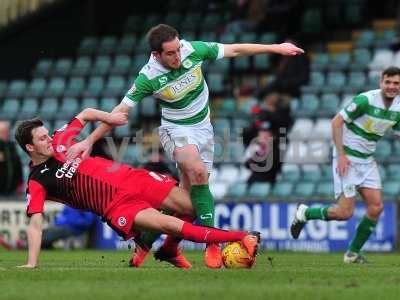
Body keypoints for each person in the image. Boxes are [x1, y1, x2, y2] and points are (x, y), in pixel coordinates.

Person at [66, 24, 303, 268]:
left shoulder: (192, 50)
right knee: (198, 171)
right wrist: (89, 140)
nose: (178, 56)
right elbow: (119, 112)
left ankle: (156, 245)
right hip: (175, 130)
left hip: (204, 129)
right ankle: (212, 243)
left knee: (187, 202)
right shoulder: (148, 76)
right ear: (156, 55)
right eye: (170, 53)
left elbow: (234, 50)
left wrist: (276, 48)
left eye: (178, 49)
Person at [14, 108, 260, 268]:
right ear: (30, 148)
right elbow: (35, 224)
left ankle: (166, 248)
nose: (49, 139)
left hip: (131, 178)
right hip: (117, 206)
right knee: (172, 225)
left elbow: (87, 113)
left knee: (192, 206)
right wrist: (31, 263)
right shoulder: (37, 180)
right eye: (42, 138)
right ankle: (242, 236)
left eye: (47, 135)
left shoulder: (60, 140)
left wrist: (110, 119)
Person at [290, 66, 400, 263]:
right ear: (381, 82)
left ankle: (352, 254)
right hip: (347, 158)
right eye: (388, 82)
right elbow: (336, 122)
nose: (392, 86)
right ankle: (305, 213)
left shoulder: (398, 107)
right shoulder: (365, 100)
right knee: (344, 213)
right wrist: (341, 155)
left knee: (376, 207)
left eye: (396, 83)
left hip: (367, 160)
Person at [0, 120, 23, 196]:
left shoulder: (12, 146)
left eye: (6, 131)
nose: (5, 134)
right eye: (2, 132)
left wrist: (20, 183)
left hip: (13, 190)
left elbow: (18, 165)